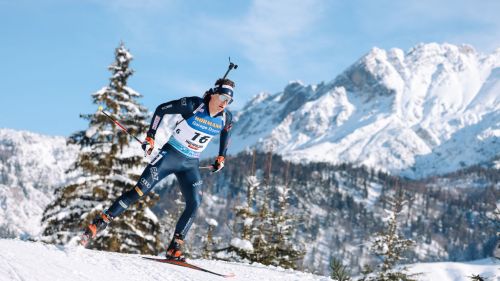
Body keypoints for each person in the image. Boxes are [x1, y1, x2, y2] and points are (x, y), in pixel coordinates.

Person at [82, 78, 235, 261]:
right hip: (170, 156)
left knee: (195, 202)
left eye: (229, 101)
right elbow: (161, 109)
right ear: (214, 94)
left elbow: (227, 132)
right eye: (223, 98)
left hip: (191, 164)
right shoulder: (193, 105)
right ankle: (102, 221)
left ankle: (175, 247)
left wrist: (221, 156)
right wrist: (150, 137)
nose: (225, 104)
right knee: (140, 190)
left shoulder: (226, 117)